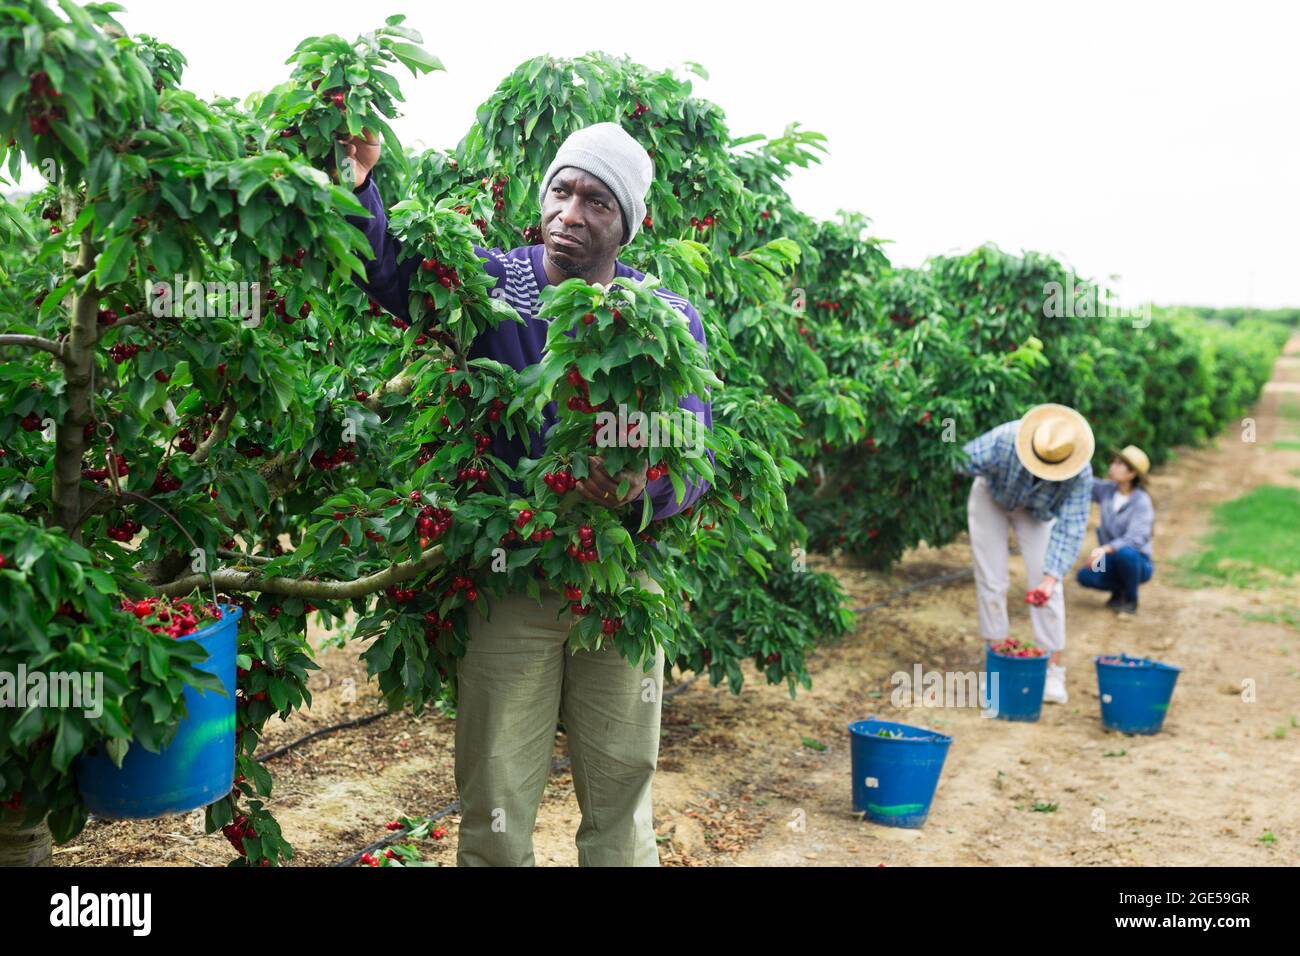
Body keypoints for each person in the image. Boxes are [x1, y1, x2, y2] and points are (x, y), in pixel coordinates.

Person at [340, 122, 713, 866]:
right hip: (513, 578)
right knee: (498, 797)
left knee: (621, 793)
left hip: (618, 583)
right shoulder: (493, 288)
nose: (571, 213)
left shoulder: (665, 322)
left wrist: (643, 488)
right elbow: (386, 270)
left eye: (597, 201)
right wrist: (355, 187)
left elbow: (691, 458)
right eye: (561, 191)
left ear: (628, 225)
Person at [958, 404, 1094, 705]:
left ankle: (1052, 669)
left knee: (1047, 587)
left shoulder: (1079, 472)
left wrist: (1050, 576)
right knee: (992, 582)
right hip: (991, 498)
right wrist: (941, 428)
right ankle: (997, 668)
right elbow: (961, 458)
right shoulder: (1006, 438)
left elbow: (1071, 526)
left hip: (1036, 511)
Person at [1076, 445, 1154, 615]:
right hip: (1109, 559)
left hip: (1138, 562)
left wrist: (1104, 549)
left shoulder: (1141, 501)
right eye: (1114, 462)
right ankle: (1119, 590)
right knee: (1086, 576)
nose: (1112, 467)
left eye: (1119, 464)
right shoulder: (1106, 490)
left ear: (1132, 474)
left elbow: (1136, 539)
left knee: (1125, 554)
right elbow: (1082, 481)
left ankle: (1131, 598)